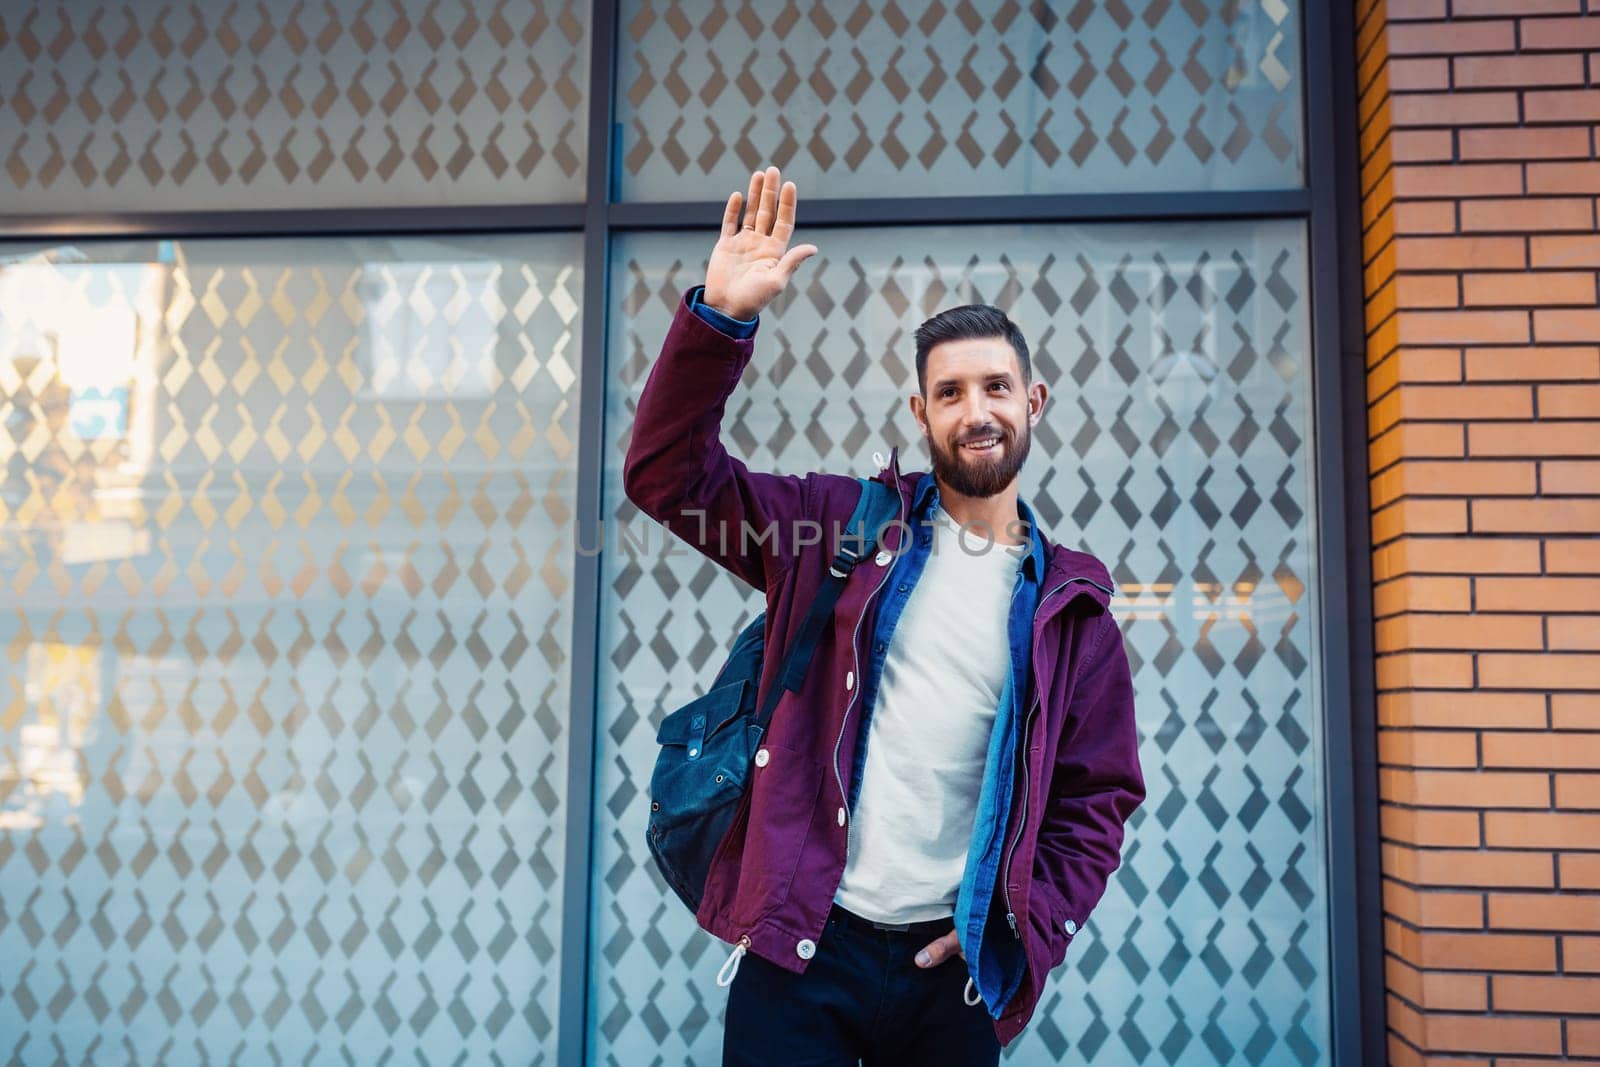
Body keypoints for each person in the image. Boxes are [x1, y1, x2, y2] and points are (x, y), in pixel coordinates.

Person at [623, 166, 1145, 1066]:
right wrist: (720, 318)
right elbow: (666, 477)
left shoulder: (1073, 613)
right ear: (920, 411)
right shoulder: (838, 526)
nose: (975, 411)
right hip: (802, 947)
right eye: (950, 393)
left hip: (954, 969)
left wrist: (1029, 927)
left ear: (1033, 403)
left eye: (994, 387)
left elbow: (1098, 797)